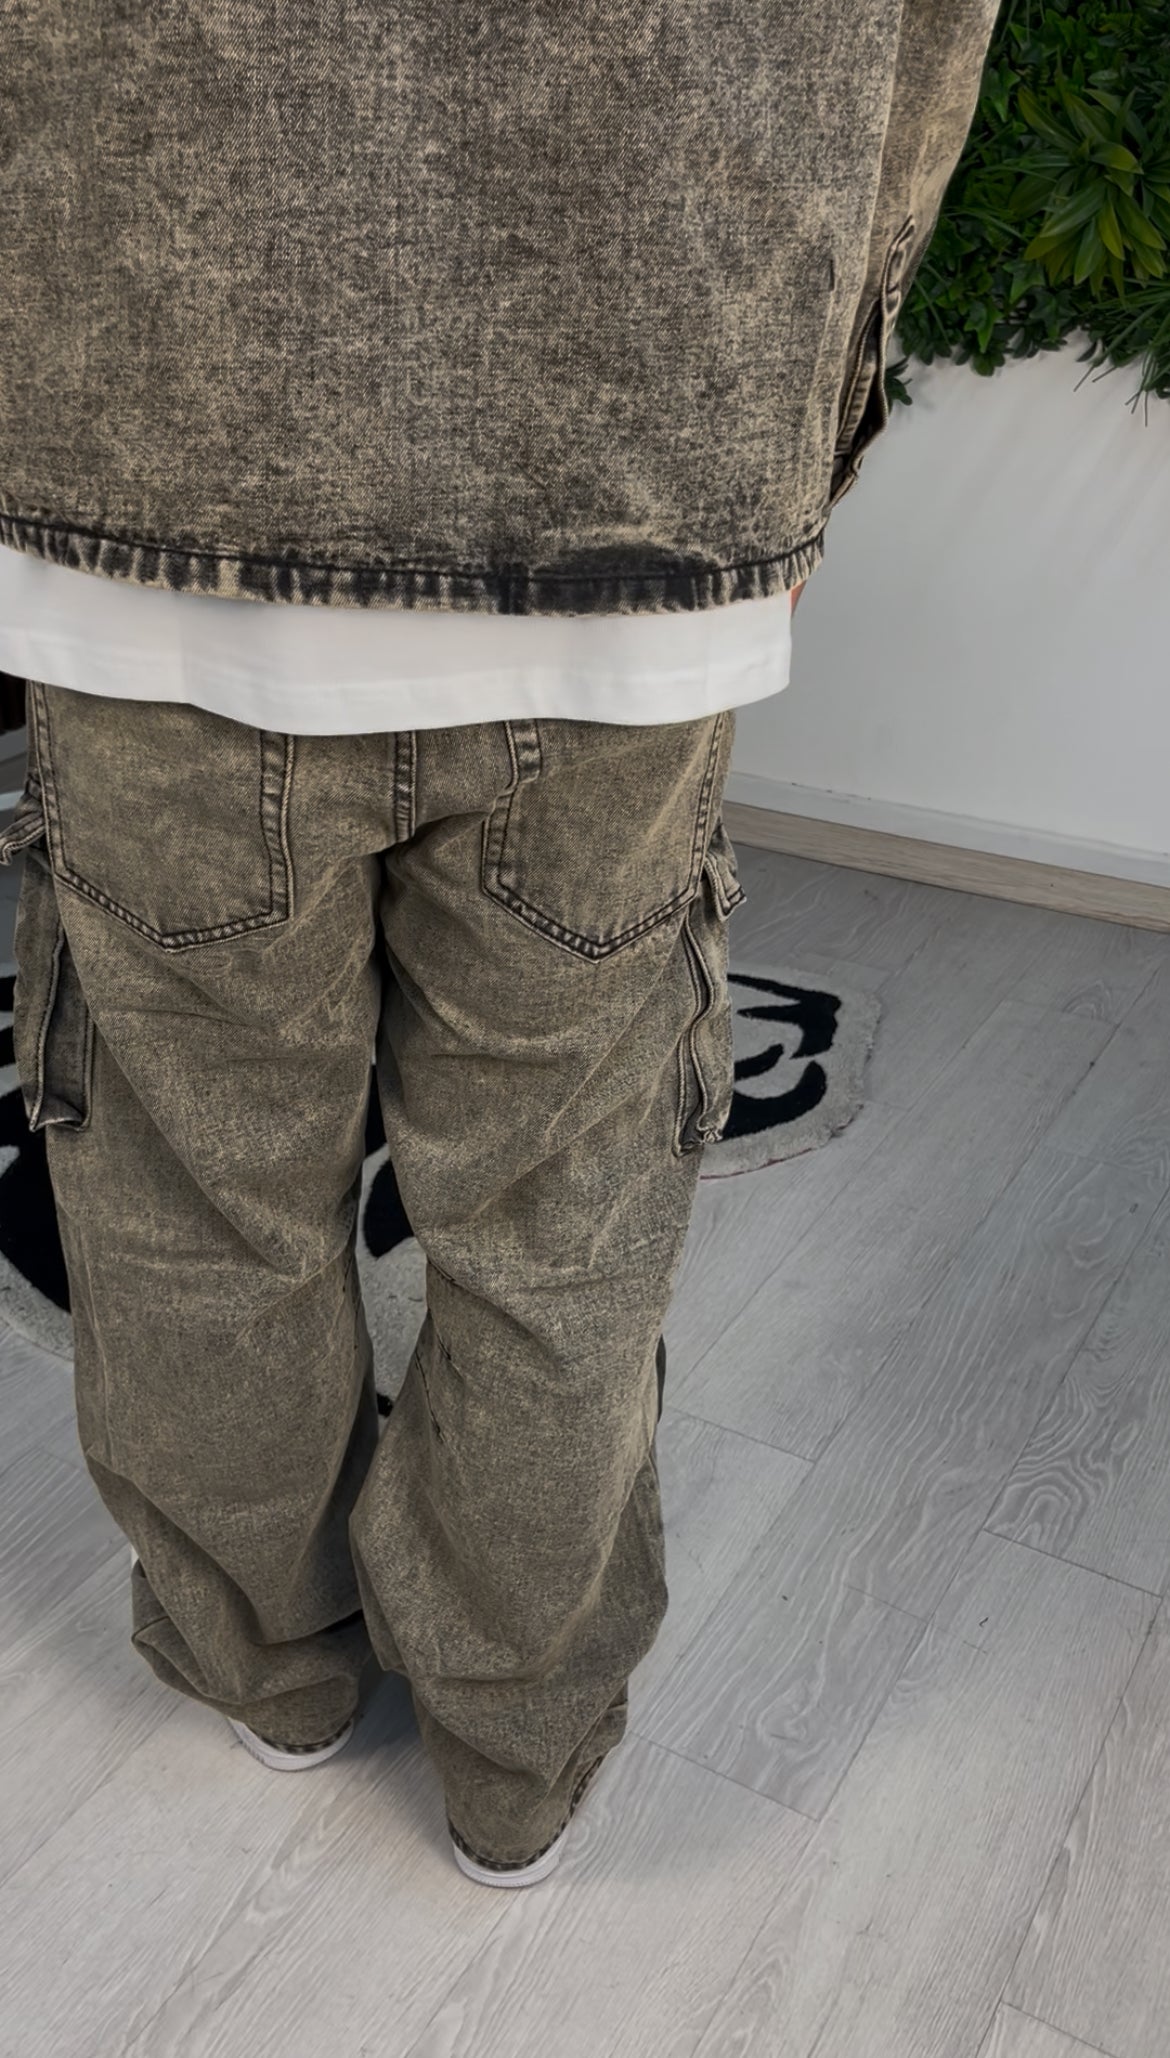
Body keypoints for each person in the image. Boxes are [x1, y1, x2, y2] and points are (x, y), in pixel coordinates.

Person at [0, 1, 1000, 1888]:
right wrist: (808, 430)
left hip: (147, 463)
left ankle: (271, 1663)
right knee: (558, 1217)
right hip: (641, 473)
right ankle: (511, 1748)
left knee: (199, 1190)